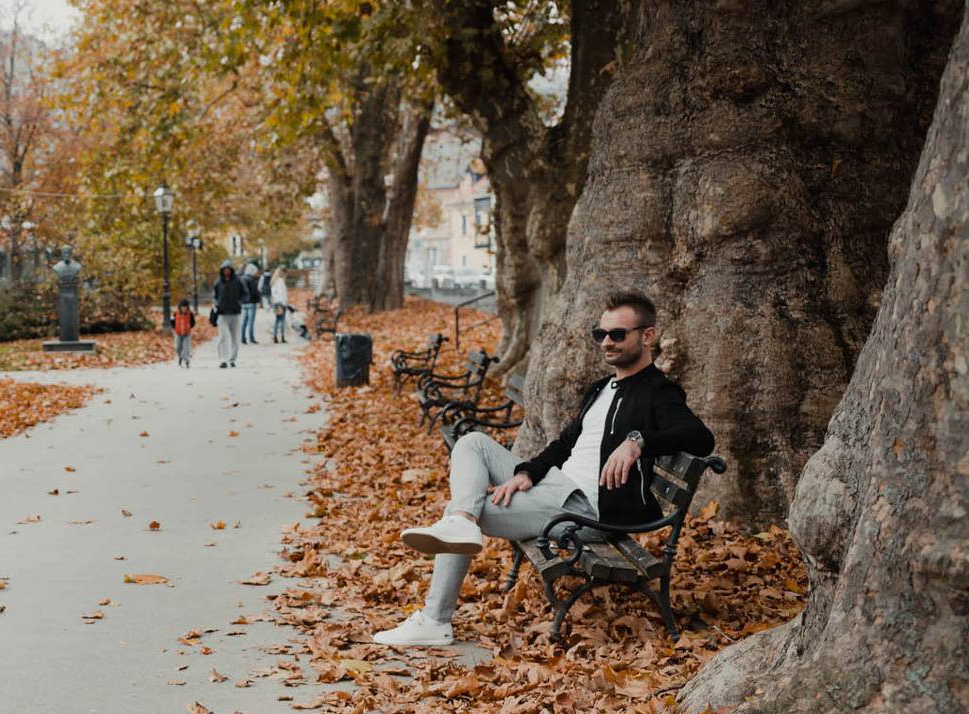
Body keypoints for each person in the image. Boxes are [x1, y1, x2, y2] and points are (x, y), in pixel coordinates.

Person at [372, 290, 715, 645]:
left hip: (588, 509)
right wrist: (526, 474)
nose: (607, 343)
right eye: (601, 335)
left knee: (458, 508)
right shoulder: (603, 388)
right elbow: (563, 445)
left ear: (647, 336)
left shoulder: (660, 392)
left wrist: (637, 441)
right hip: (555, 485)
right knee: (472, 443)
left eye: (618, 335)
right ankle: (462, 522)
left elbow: (700, 438)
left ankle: (435, 620)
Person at [212, 262, 245, 368]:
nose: (227, 271)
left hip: (235, 313)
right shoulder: (218, 282)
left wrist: (240, 302)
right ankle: (223, 359)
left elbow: (245, 293)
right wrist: (216, 304)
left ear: (231, 270)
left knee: (235, 337)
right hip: (222, 313)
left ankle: (232, 359)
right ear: (222, 270)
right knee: (223, 336)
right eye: (225, 269)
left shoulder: (238, 281)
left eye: (228, 269)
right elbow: (214, 296)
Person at [240, 260, 262, 343]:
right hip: (251, 302)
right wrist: (258, 300)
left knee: (244, 322)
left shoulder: (241, 278)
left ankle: (242, 338)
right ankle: (251, 338)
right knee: (251, 322)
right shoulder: (252, 279)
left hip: (243, 303)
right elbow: (254, 291)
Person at [172, 298, 196, 367]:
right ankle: (181, 357)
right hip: (178, 333)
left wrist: (189, 326)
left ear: (187, 307)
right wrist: (175, 327)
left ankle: (187, 361)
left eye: (185, 307)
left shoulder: (190, 314)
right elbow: (172, 321)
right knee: (177, 347)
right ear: (180, 307)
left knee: (186, 348)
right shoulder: (175, 313)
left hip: (187, 334)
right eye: (182, 307)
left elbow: (193, 322)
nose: (184, 309)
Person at [269, 269, 290, 342]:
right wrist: (285, 303)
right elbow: (282, 294)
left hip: (276, 303)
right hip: (281, 303)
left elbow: (273, 294)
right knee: (282, 320)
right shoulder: (280, 281)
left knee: (277, 320)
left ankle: (275, 336)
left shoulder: (273, 282)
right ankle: (282, 337)